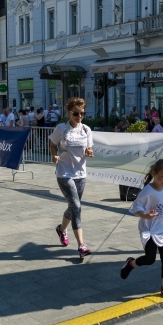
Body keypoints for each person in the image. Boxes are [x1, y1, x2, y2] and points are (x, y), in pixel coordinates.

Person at [120, 159, 163, 303]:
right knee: (150, 259)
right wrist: (146, 215)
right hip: (149, 229)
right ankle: (131, 264)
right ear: (154, 173)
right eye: (162, 177)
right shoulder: (147, 191)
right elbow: (136, 208)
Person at [49, 97, 94, 259]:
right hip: (64, 173)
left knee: (73, 206)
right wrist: (54, 156)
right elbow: (53, 145)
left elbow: (88, 149)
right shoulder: (61, 128)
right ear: (69, 112)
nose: (79, 116)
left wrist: (89, 152)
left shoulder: (86, 130)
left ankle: (61, 229)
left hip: (81, 174)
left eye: (82, 113)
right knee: (76, 206)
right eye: (76, 113)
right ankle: (82, 245)